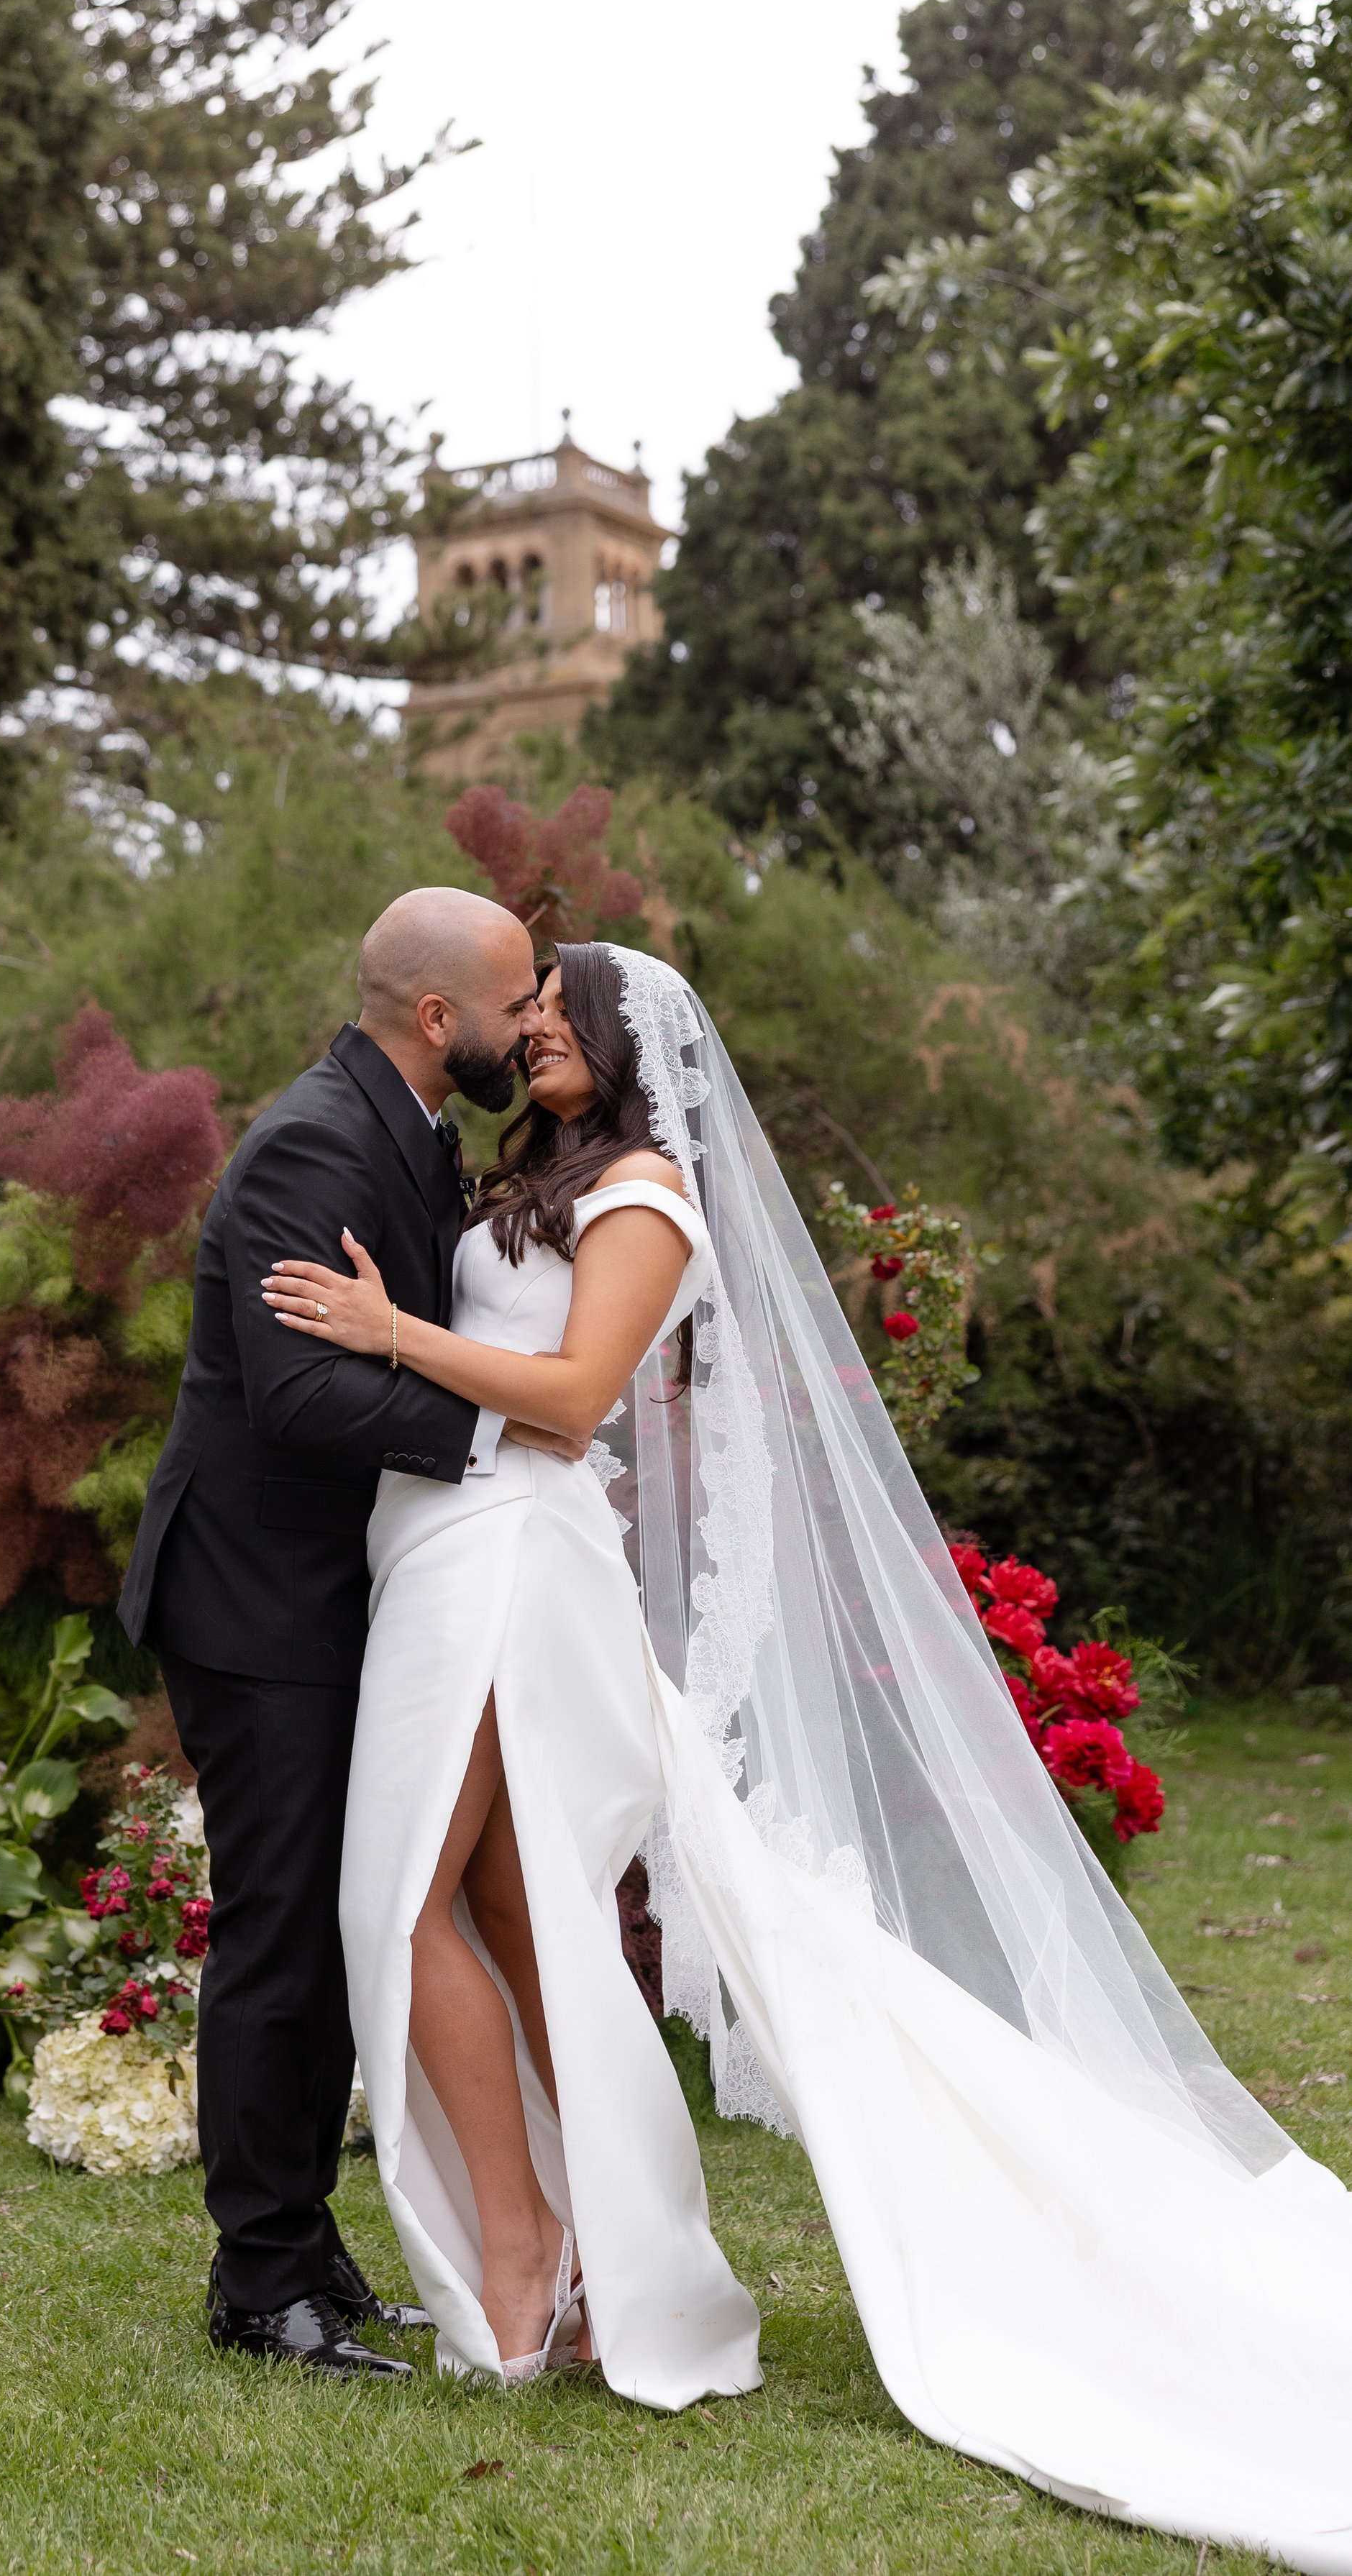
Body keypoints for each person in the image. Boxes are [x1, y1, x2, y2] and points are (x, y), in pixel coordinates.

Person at [262, 940, 1352, 2567]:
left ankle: (528, 2256)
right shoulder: (534, 1179)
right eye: (529, 1007)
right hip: (437, 1554)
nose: (537, 1027)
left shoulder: (645, 1196)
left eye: (564, 1011)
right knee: (504, 1918)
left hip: (507, 1559)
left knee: (399, 1906)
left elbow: (571, 1398)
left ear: (635, 1047)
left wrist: (383, 1331)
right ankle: (602, 2267)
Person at [117, 885, 567, 2381]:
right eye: (512, 1001)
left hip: (331, 1590)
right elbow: (296, 1395)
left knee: (319, 1920)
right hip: (255, 1599)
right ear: (437, 1016)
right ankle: (259, 2283)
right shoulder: (315, 1139)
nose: (529, 1023)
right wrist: (510, 1429)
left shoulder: (414, 1130)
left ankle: (303, 2248)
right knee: (277, 1934)